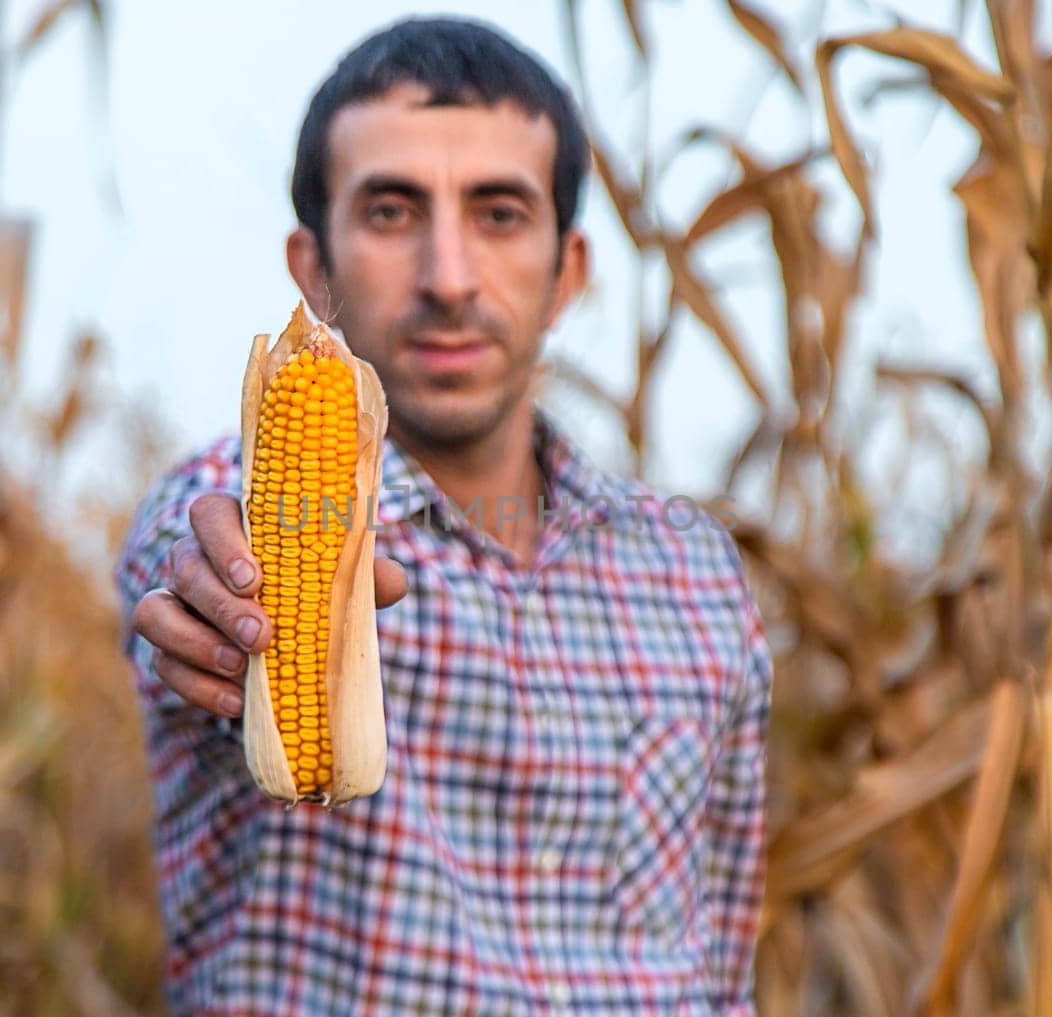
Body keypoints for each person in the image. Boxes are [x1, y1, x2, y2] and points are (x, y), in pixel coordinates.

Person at [115, 16, 773, 1016]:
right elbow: (185, 560)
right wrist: (219, 604)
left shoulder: (696, 576)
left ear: (568, 272)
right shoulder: (233, 499)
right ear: (313, 268)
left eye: (500, 214)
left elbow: (723, 957)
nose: (449, 276)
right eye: (390, 211)